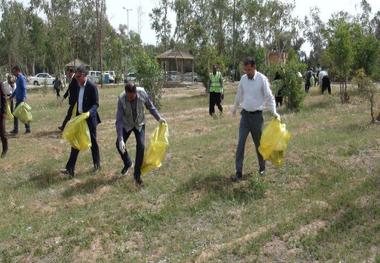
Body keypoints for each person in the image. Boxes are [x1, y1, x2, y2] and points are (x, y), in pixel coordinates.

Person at [231, 57, 280, 182]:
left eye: (249, 69)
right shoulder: (243, 79)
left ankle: (262, 168)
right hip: (245, 116)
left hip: (257, 117)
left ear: (254, 67)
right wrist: (235, 108)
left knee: (259, 145)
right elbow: (239, 94)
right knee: (240, 144)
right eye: (245, 69)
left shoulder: (262, 79)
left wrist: (274, 112)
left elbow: (269, 97)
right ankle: (238, 172)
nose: (246, 72)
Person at [115, 82, 166, 186]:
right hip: (127, 124)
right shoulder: (121, 99)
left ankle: (137, 175)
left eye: (132, 97)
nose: (130, 99)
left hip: (139, 123)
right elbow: (119, 120)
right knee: (118, 144)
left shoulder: (142, 93)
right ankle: (128, 163)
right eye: (128, 97)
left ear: (135, 93)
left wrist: (159, 118)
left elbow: (150, 107)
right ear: (125, 93)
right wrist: (120, 139)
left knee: (141, 146)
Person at [60, 65, 101, 178]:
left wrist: (89, 113)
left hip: (89, 119)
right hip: (79, 119)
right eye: (76, 77)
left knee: (93, 142)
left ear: (84, 75)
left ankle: (97, 165)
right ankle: (70, 169)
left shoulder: (92, 87)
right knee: (75, 143)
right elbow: (77, 102)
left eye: (78, 77)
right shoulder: (78, 86)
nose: (76, 79)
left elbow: (96, 104)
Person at [10, 65, 31, 134]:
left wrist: (24, 98)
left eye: (14, 71)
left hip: (21, 99)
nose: (13, 73)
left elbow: (24, 88)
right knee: (20, 114)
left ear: (18, 71)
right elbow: (17, 89)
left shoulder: (21, 78)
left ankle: (17, 130)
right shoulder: (18, 78)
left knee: (17, 114)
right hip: (18, 99)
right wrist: (12, 96)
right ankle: (26, 128)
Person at [0, 81, 8, 158]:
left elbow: (3, 98)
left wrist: (4, 112)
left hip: (0, 113)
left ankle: (5, 150)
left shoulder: (0, 83)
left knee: (2, 132)